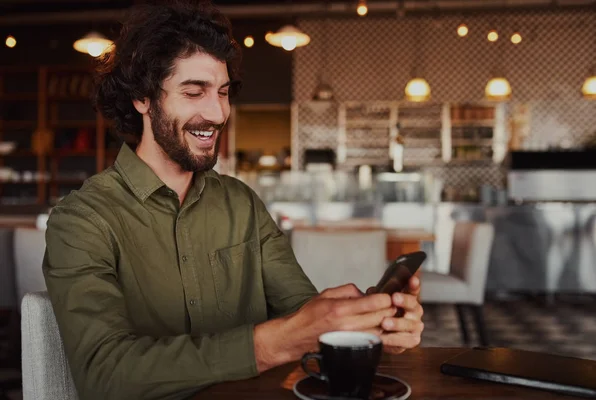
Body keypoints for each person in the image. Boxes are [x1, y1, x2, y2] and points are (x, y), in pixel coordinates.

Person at [42, 1, 424, 399]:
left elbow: (301, 315)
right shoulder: (83, 220)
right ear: (142, 98)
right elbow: (104, 374)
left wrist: (366, 326)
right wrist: (270, 344)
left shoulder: (242, 205)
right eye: (194, 92)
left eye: (223, 92)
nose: (218, 112)